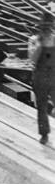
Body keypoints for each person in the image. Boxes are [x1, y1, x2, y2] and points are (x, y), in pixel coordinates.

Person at [30, 10, 55, 144]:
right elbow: (32, 59)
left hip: (53, 76)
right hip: (40, 76)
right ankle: (44, 134)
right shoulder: (34, 40)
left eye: (49, 25)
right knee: (42, 107)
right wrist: (40, 45)